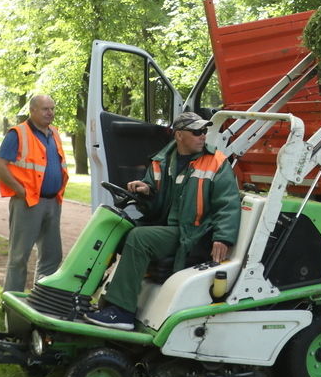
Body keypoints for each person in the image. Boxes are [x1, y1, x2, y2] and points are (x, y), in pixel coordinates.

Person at [84, 111, 241, 330]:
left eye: (204, 131)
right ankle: (91, 295)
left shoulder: (216, 163)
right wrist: (146, 191)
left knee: (140, 238)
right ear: (179, 136)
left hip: (193, 233)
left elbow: (228, 204)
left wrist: (223, 238)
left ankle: (122, 313)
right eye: (197, 132)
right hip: (168, 227)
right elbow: (153, 206)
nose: (203, 136)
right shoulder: (161, 161)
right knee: (116, 230)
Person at [0, 94, 69, 292]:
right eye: (45, 109)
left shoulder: (54, 133)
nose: (50, 113)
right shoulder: (18, 134)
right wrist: (20, 191)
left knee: (52, 256)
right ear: (32, 110)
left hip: (53, 202)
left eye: (52, 108)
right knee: (19, 256)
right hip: (27, 202)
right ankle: (11, 302)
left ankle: (42, 300)